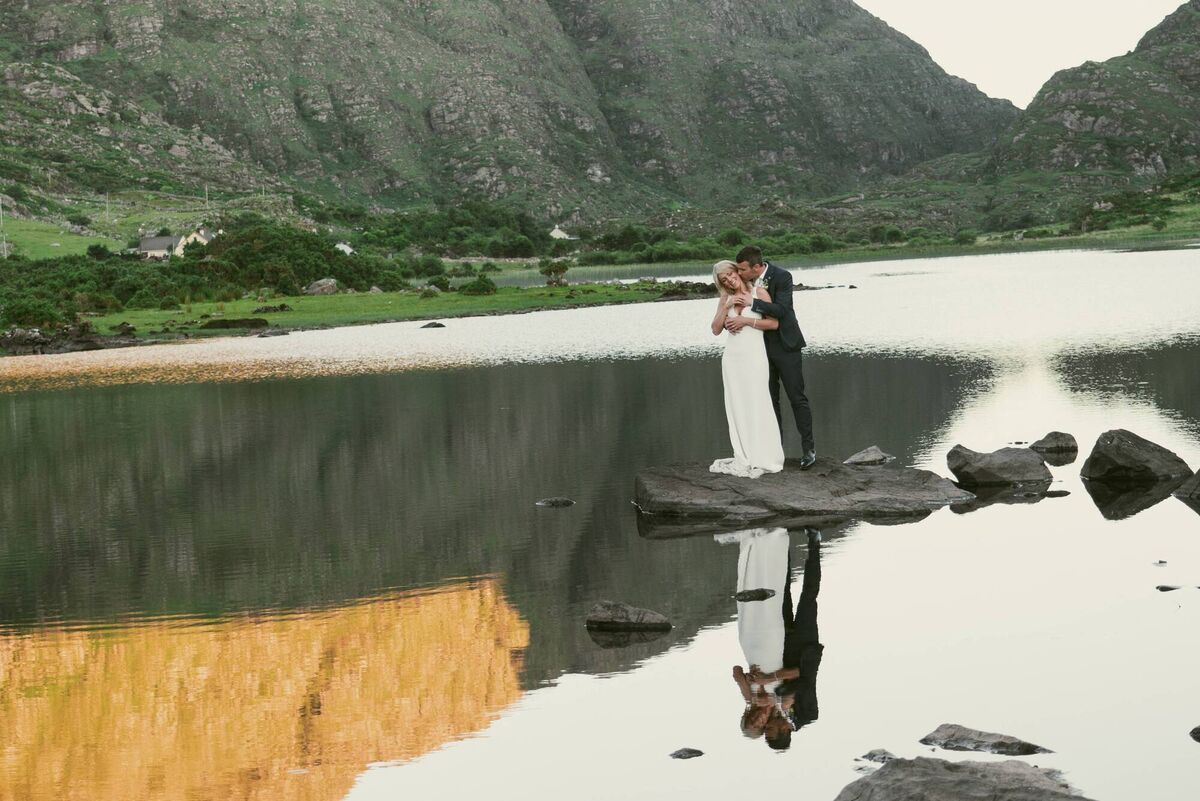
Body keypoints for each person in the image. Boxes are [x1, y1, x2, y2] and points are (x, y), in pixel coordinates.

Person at [727, 245, 816, 469]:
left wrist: (752, 304)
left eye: (742, 269)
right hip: (759, 349)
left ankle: (809, 450)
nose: (738, 273)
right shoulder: (743, 284)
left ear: (757, 267)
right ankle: (776, 452)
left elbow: (783, 310)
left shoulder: (782, 276)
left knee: (797, 397)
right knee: (769, 401)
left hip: (786, 345)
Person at [708, 260, 785, 479]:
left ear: (738, 272)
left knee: (758, 401)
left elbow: (774, 324)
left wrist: (745, 320)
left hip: (754, 355)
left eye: (731, 274)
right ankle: (743, 454)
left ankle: (765, 455)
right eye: (724, 280)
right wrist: (726, 306)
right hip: (732, 358)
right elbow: (715, 329)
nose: (730, 280)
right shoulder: (725, 298)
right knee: (737, 405)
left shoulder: (759, 292)